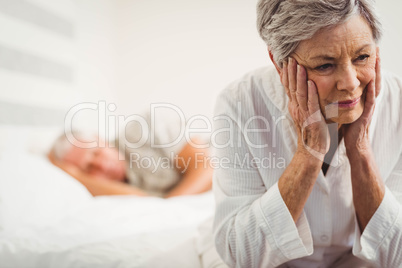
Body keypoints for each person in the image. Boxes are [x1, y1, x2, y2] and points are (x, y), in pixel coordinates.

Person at [212, 0, 402, 267]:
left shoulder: (398, 103)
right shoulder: (239, 103)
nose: (350, 83)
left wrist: (359, 147)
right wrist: (310, 151)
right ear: (279, 65)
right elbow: (242, 253)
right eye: (325, 65)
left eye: (362, 57)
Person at [48, 112, 213, 198]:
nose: (103, 165)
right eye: (89, 169)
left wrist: (170, 206)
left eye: (97, 153)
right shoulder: (108, 190)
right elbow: (141, 200)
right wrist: (76, 177)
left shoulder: (143, 129)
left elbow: (206, 166)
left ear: (101, 139)